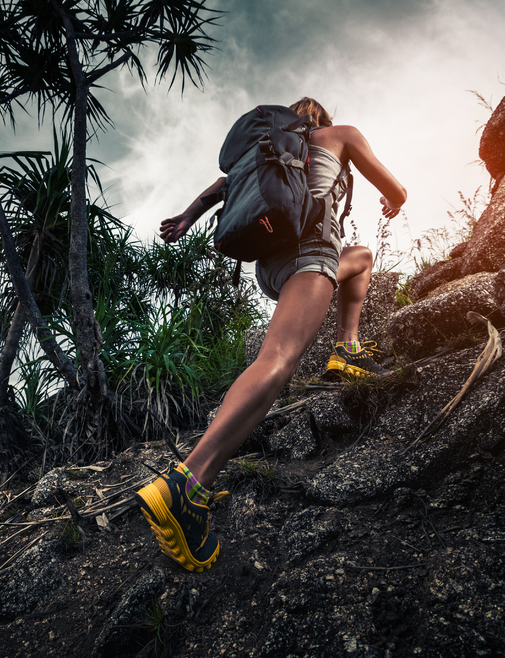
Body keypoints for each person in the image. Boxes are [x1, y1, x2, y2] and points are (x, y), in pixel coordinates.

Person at [135, 97, 407, 573]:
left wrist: (185, 219)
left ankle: (346, 349)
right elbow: (397, 190)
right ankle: (188, 485)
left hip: (271, 264)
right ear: (320, 116)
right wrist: (393, 201)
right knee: (277, 359)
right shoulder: (340, 135)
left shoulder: (262, 153)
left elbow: (219, 189)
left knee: (360, 257)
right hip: (311, 251)